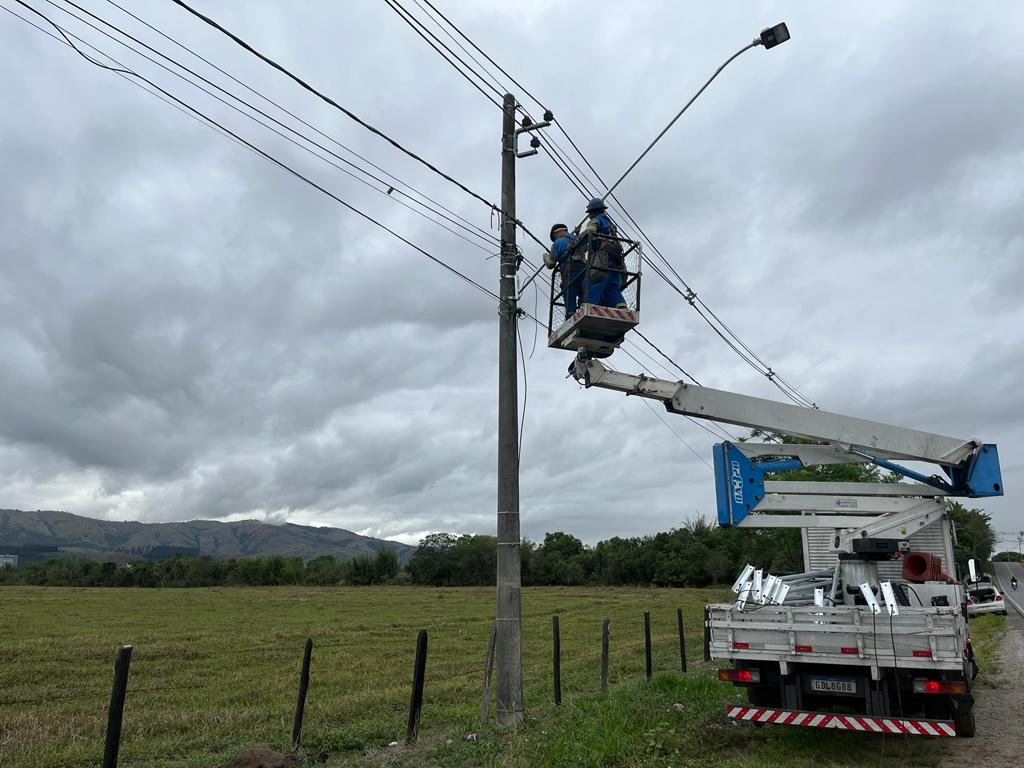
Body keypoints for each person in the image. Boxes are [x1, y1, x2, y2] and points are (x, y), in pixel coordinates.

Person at [575, 197, 627, 308]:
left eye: (589, 213)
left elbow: (589, 232)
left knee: (592, 283)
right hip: (616, 264)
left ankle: (587, 306)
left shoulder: (595, 220)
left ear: (593, 211)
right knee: (611, 289)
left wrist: (575, 245)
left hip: (602, 261)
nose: (589, 215)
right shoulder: (610, 224)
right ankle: (621, 307)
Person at [546, 222, 585, 315]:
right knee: (584, 291)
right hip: (583, 269)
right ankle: (584, 309)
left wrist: (545, 256)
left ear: (555, 233)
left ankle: (570, 314)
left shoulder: (557, 243)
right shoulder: (577, 238)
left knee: (569, 291)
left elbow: (550, 264)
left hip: (569, 271)